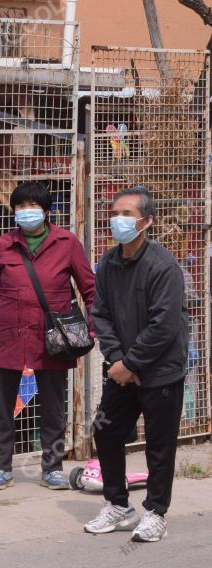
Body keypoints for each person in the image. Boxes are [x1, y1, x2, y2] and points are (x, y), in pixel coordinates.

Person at [0, 182, 95, 491]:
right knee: (1, 406)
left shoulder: (67, 243)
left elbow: (90, 290)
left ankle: (52, 468)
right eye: (20, 207)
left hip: (53, 338)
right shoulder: (5, 244)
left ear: (46, 210)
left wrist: (93, 330)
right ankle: (1, 468)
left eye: (32, 206)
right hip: (6, 336)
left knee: (53, 406)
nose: (26, 212)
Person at [85, 187, 188, 542]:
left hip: (161, 372)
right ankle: (118, 505)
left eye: (128, 214)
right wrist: (117, 359)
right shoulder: (109, 263)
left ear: (147, 221)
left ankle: (156, 512)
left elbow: (165, 325)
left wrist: (131, 362)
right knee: (106, 430)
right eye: (115, 212)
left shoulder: (164, 266)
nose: (119, 219)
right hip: (121, 372)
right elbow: (100, 314)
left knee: (159, 445)